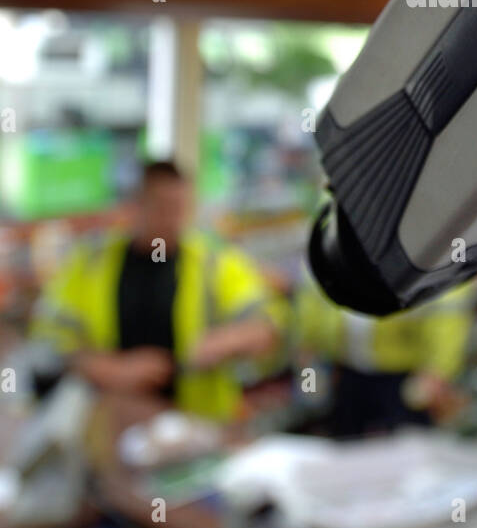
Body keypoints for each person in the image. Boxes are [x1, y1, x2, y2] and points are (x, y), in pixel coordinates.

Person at [30, 159, 288, 421]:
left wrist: (226, 341)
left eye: (179, 208)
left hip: (197, 426)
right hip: (109, 425)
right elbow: (48, 339)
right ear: (136, 206)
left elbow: (268, 324)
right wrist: (111, 370)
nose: (171, 220)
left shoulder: (214, 262)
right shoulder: (89, 264)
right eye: (162, 208)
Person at [294, 273, 472, 438]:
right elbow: (312, 295)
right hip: (346, 371)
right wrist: (310, 353)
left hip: (404, 376)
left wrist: (439, 369)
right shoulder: (330, 245)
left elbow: (448, 309)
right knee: (348, 445)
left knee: (406, 447)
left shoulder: (414, 249)